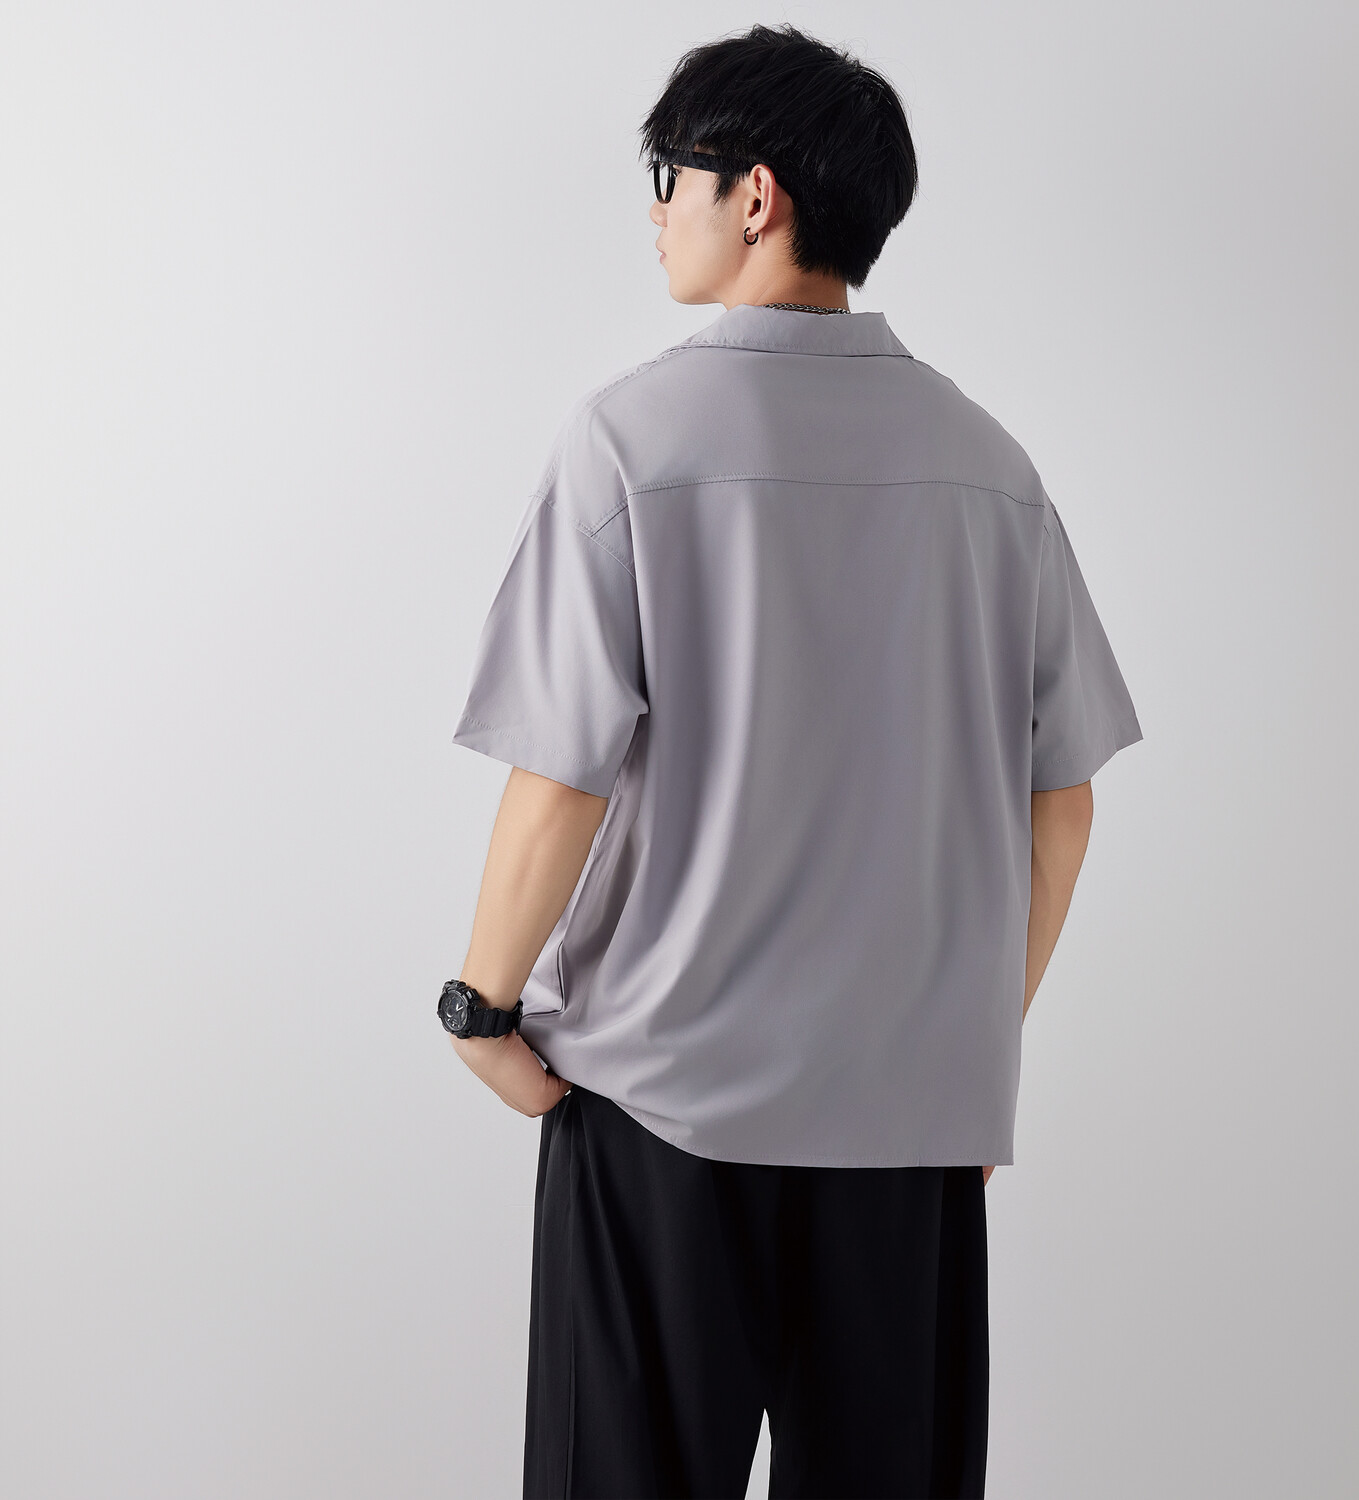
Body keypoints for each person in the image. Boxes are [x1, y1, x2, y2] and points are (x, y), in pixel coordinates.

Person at [438, 21, 1143, 1498]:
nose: (655, 211)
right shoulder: (991, 466)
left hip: (659, 1110)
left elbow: (559, 779)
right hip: (908, 1127)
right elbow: (1064, 802)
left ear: (753, 196)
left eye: (669, 175)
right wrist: (965, 1042)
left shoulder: (632, 440)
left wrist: (481, 1007)